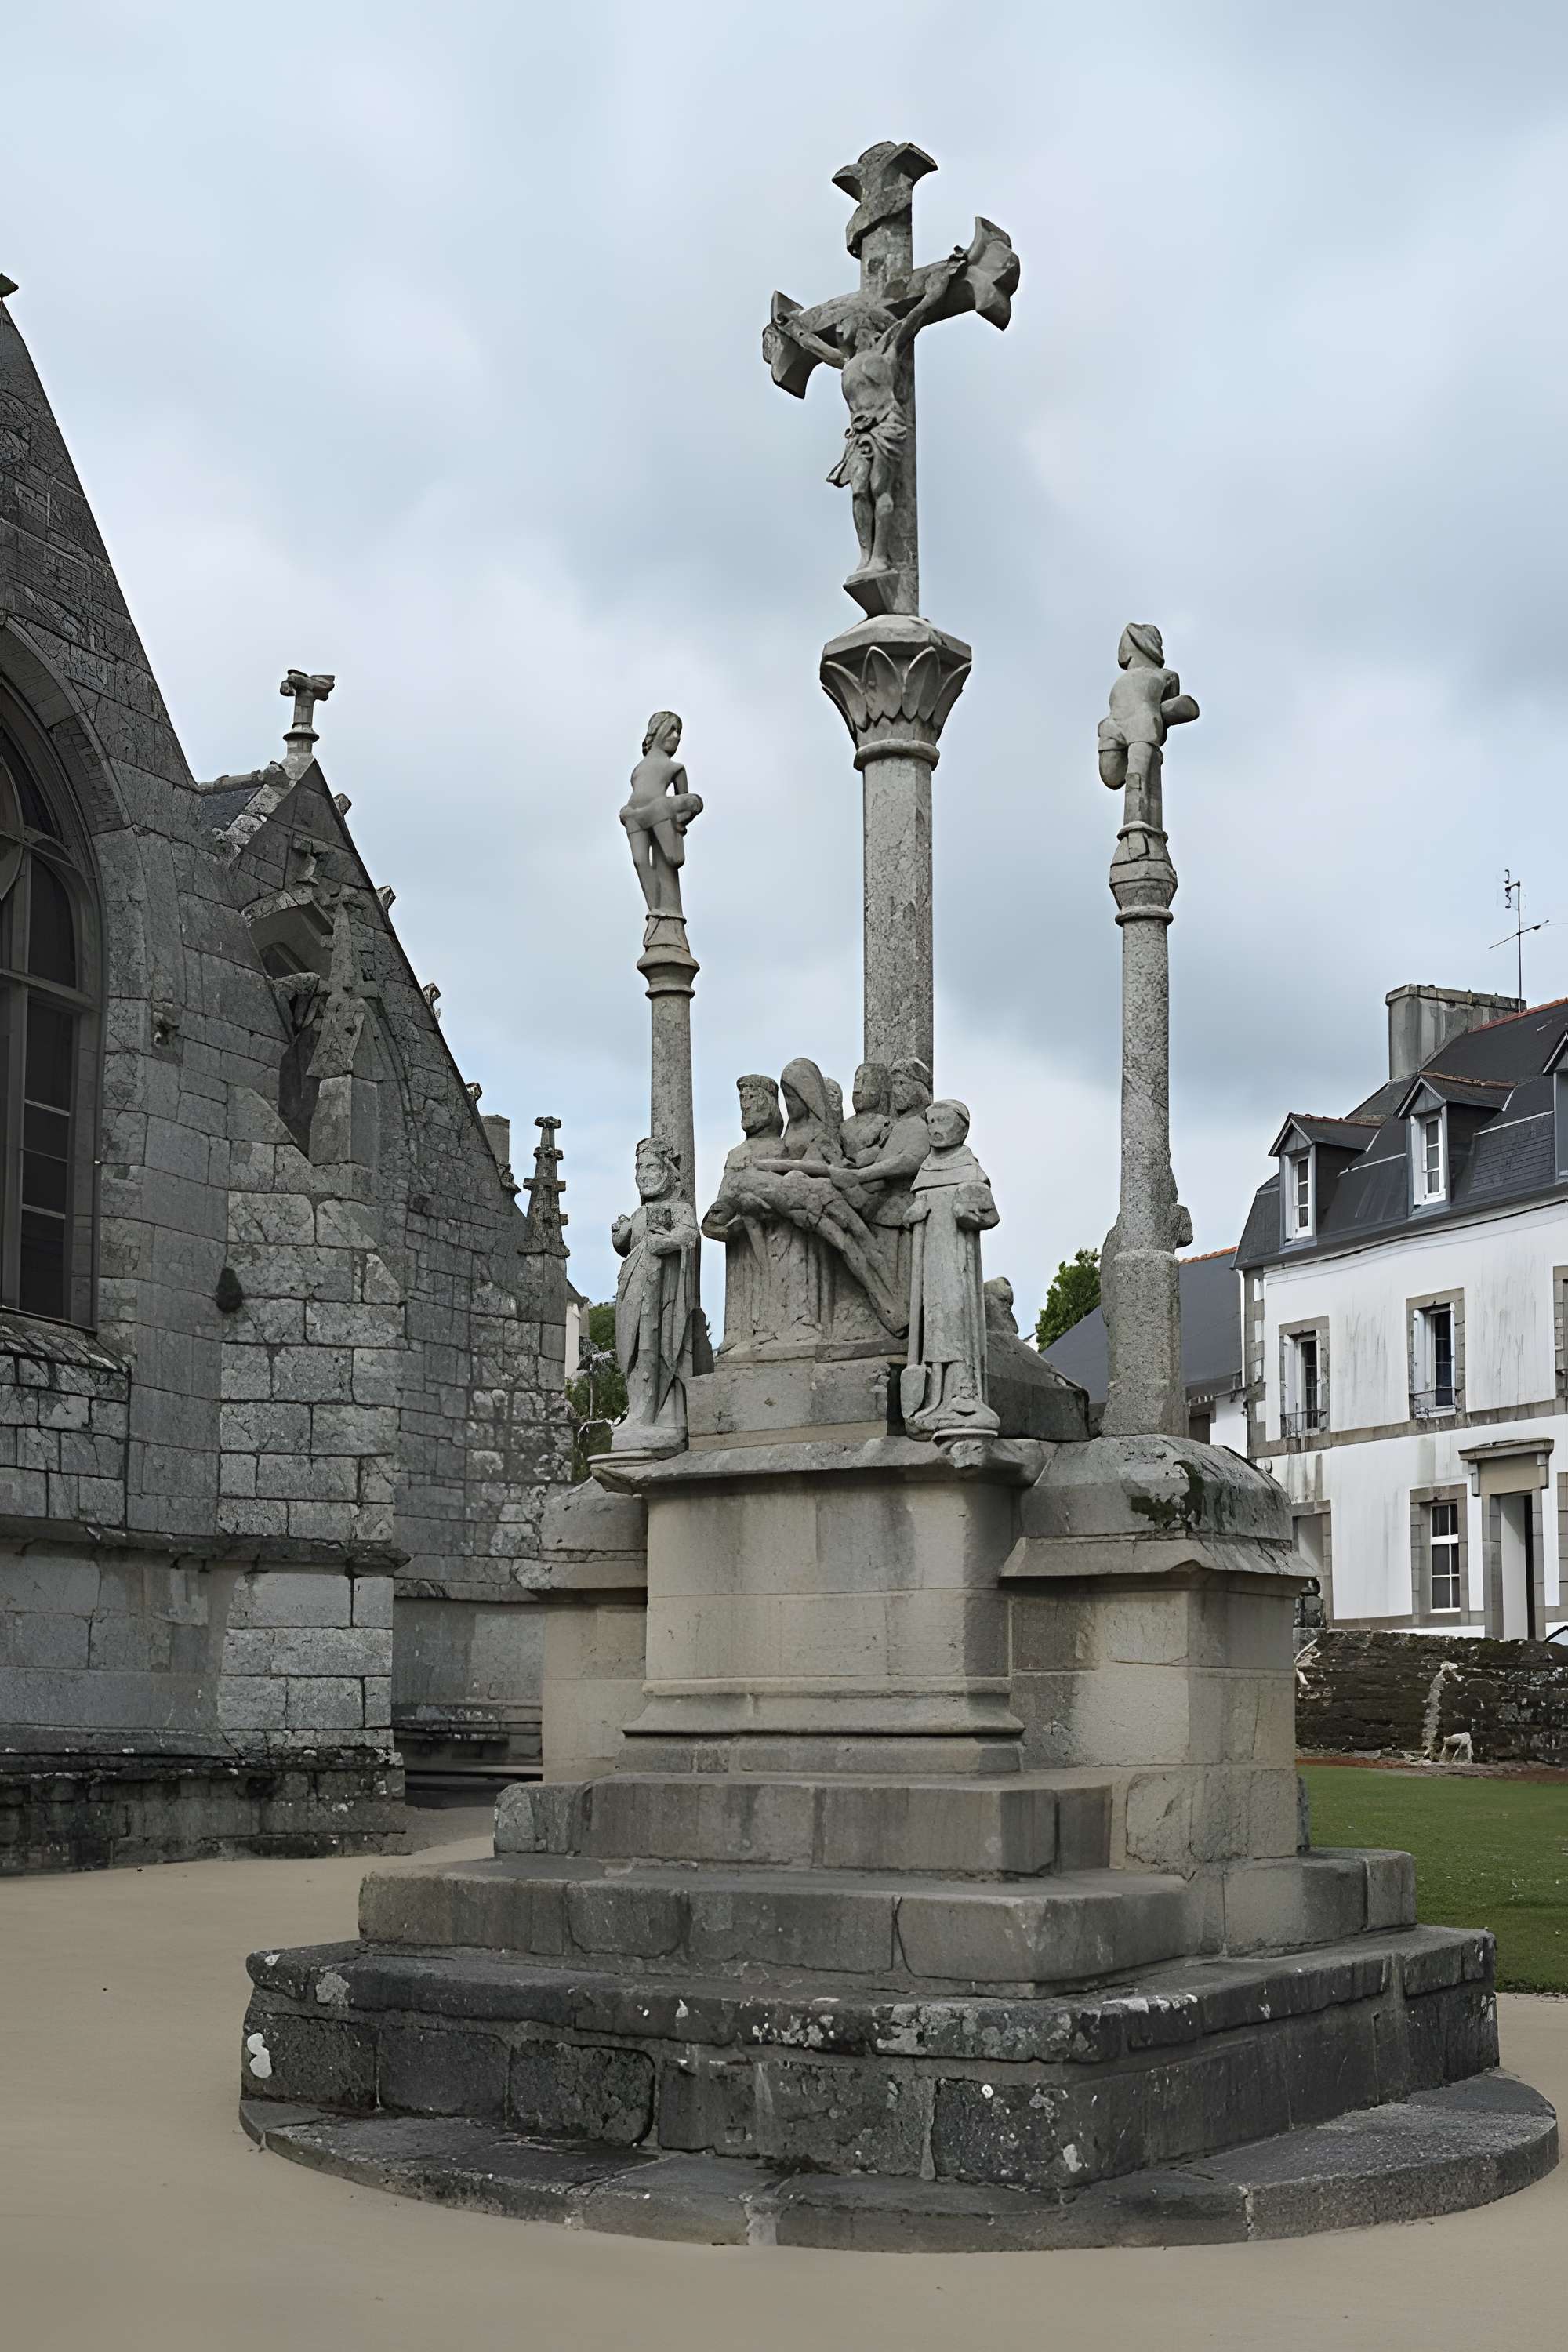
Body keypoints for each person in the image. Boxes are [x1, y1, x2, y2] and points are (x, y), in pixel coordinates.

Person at [902, 1099, 1000, 1439]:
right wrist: (912, 1217)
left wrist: (968, 1210)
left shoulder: (969, 1168)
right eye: (931, 1122)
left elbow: (989, 1214)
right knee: (933, 1325)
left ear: (962, 1127)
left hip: (958, 1261)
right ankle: (934, 1398)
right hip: (929, 1263)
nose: (936, 1128)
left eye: (943, 1120)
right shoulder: (926, 1170)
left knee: (957, 1323)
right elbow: (913, 1209)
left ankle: (963, 1394)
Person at [610, 1136, 700, 1456]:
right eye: (639, 1167)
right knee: (631, 1351)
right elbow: (626, 1245)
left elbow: (689, 1234)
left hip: (661, 1297)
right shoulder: (640, 1212)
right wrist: (620, 1233)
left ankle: (650, 1413)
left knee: (650, 1348)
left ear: (667, 1170)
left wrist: (667, 1241)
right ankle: (636, 1409)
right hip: (633, 1290)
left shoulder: (679, 1208)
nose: (644, 1174)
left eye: (651, 1166)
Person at [1096, 626, 1199, 828]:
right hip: (1113, 729)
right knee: (1111, 773)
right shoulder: (1122, 681)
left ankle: (1138, 831)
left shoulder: (1165, 676)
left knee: (1138, 781)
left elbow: (1184, 708)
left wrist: (1162, 715)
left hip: (1143, 728)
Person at [620, 711, 704, 919]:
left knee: (672, 858)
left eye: (679, 732)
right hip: (634, 816)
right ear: (657, 731)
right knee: (640, 861)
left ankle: (668, 909)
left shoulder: (676, 768)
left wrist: (676, 820)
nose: (677, 737)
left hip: (659, 811)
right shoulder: (638, 770)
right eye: (672, 730)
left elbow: (685, 803)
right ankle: (656, 910)